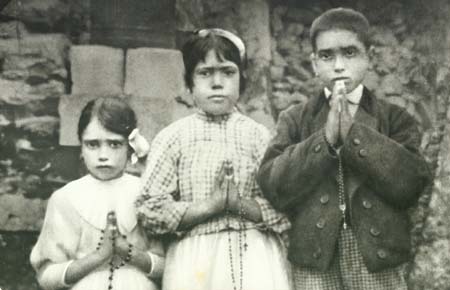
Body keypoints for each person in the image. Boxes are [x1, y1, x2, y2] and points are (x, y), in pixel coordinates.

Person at [257, 8, 431, 290]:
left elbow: (410, 184)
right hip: (315, 260)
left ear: (369, 58)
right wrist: (323, 140)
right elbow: (274, 186)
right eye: (327, 56)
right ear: (314, 63)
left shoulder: (396, 118)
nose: (338, 65)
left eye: (350, 53)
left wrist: (354, 135)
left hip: (377, 257)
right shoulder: (294, 118)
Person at [136, 28, 293, 290]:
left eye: (227, 72)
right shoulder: (174, 137)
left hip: (254, 256)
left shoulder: (260, 136)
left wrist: (239, 204)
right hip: (194, 260)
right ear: (189, 83)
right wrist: (212, 205)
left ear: (242, 80)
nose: (217, 83)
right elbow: (150, 209)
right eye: (205, 73)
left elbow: (285, 205)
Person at [30, 97, 164, 290]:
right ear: (81, 147)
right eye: (93, 144)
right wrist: (98, 257)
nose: (103, 155)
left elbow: (170, 266)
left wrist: (130, 253)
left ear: (130, 146)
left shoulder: (147, 193)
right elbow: (46, 275)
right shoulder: (66, 198)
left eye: (115, 144)